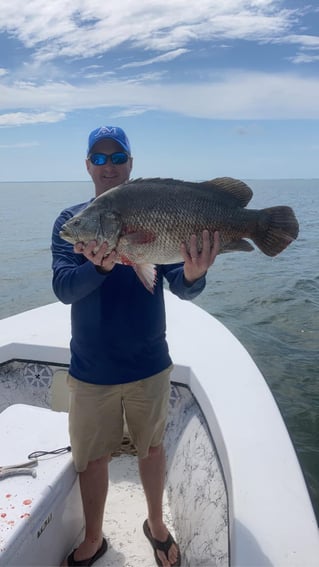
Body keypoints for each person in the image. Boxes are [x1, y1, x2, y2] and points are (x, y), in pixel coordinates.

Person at [51, 125, 220, 567]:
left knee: (152, 448)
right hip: (92, 368)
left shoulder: (148, 208)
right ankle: (94, 537)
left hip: (149, 362)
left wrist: (196, 272)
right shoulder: (72, 223)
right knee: (93, 458)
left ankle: (155, 525)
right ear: (88, 165)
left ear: (130, 163)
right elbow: (65, 288)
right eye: (100, 159)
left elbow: (178, 284)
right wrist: (99, 269)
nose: (109, 166)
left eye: (117, 157)